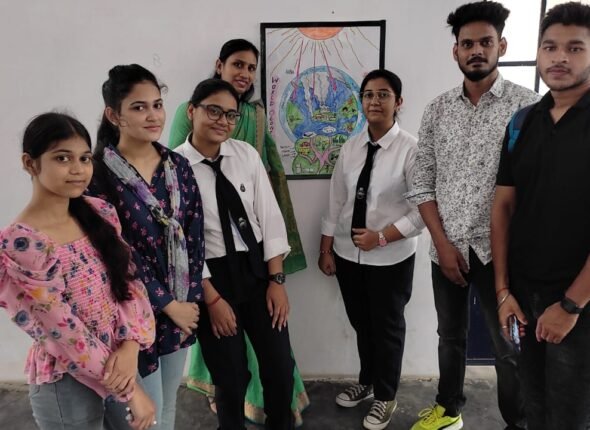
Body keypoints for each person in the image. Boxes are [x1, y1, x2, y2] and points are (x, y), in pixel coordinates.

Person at [405, 2, 540, 429]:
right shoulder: (437, 109)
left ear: (502, 46)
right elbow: (422, 183)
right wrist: (442, 245)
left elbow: (537, 187)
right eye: (467, 44)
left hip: (503, 254)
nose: (476, 50)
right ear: (456, 51)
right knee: (450, 336)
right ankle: (449, 410)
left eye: (485, 42)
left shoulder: (528, 107)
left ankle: (517, 422)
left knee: (508, 347)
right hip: (447, 249)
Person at [169, 39, 309, 425]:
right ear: (192, 111)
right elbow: (179, 245)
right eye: (213, 111)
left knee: (279, 368)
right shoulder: (174, 169)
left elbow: (270, 219)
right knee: (230, 378)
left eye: (230, 115)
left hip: (257, 271)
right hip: (212, 279)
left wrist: (276, 280)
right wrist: (211, 299)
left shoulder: (245, 155)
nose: (223, 121)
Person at [0, 112, 156, 430]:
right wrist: (131, 391)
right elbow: (63, 330)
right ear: (30, 163)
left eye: (84, 158)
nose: (78, 169)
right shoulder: (22, 242)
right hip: (68, 380)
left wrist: (130, 346)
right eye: (62, 158)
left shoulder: (99, 212)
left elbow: (128, 283)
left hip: (120, 362)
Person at [87, 64, 205, 430]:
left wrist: (188, 304)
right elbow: (115, 251)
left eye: (157, 104)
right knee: (144, 415)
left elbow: (194, 235)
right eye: (139, 107)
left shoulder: (178, 166)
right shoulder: (98, 175)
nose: (153, 116)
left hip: (179, 311)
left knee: (167, 410)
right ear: (114, 115)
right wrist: (167, 304)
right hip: (130, 315)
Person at [491, 3, 590, 429]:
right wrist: (502, 291)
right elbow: (503, 206)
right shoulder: (522, 123)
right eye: (550, 47)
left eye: (575, 48)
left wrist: (570, 305)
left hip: (578, 303)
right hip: (523, 295)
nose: (560, 57)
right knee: (533, 405)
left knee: (570, 415)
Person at [318, 69, 424, 430]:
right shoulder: (351, 148)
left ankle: (386, 395)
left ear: (398, 102)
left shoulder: (411, 150)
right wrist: (326, 248)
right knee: (362, 323)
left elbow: (422, 211)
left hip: (391, 258)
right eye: (368, 95)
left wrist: (382, 237)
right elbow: (336, 201)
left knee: (387, 328)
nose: (374, 101)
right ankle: (367, 381)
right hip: (349, 256)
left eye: (383, 94)